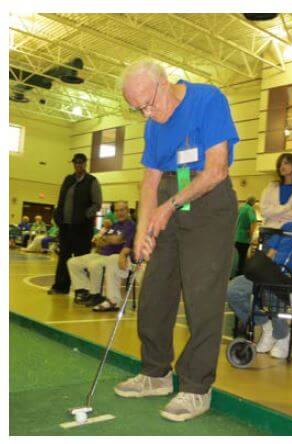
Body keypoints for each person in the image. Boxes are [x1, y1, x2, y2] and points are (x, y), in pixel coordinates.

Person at [114, 60, 240, 422]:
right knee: (154, 290)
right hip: (168, 194)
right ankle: (155, 373)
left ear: (164, 82)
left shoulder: (207, 99)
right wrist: (141, 232)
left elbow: (217, 169)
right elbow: (150, 181)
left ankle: (196, 388)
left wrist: (169, 207)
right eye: (137, 108)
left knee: (202, 296)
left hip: (207, 198)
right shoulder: (152, 125)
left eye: (148, 103)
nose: (147, 113)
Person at [226, 196, 292, 359]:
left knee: (270, 289)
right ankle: (267, 326)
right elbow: (270, 254)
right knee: (234, 289)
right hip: (272, 275)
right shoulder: (287, 226)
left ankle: (282, 335)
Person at [49, 153, 103, 295]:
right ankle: (60, 287)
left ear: (85, 164)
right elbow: (61, 200)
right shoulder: (68, 179)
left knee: (81, 259)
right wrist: (57, 215)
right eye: (75, 163)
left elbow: (97, 204)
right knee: (63, 258)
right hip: (66, 227)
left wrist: (85, 216)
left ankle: (82, 290)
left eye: (80, 163)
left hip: (82, 229)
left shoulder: (92, 181)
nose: (78, 165)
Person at [67, 201, 136, 311]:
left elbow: (116, 240)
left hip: (117, 257)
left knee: (94, 265)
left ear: (127, 210)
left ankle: (97, 296)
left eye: (122, 210)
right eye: (117, 211)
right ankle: (84, 291)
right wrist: (107, 240)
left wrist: (106, 239)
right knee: (73, 262)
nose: (119, 213)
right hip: (102, 254)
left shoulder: (130, 225)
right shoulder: (114, 225)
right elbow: (99, 242)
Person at [261, 153, 292, 237]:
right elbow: (264, 211)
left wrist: (274, 214)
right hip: (270, 232)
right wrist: (288, 207)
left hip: (291, 234)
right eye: (280, 164)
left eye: (286, 163)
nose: (282, 166)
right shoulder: (271, 187)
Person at [234, 196, 258, 276]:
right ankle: (240, 275)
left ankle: (233, 274)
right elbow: (254, 222)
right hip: (244, 239)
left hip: (236, 237)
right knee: (242, 258)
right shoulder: (250, 209)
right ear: (253, 203)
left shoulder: (240, 208)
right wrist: (251, 234)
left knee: (236, 257)